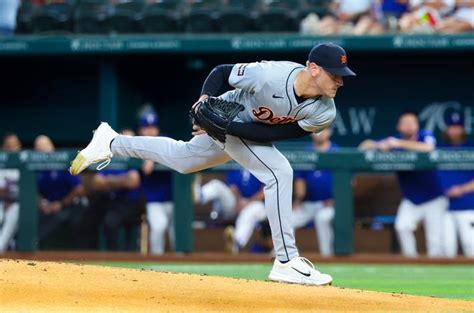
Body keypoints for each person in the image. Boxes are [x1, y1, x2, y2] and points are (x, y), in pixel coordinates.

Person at [70, 43, 357, 285]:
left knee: (183, 160)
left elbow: (275, 134)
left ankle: (111, 141)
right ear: (314, 69)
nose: (341, 81)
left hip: (237, 127)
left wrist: (226, 129)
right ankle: (286, 260)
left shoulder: (324, 111)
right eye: (336, 75)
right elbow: (222, 72)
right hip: (226, 110)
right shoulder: (270, 74)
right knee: (280, 173)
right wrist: (204, 103)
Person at [359, 111, 447, 258]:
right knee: (402, 226)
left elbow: (429, 148)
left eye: (412, 123)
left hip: (434, 197)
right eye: (405, 123)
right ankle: (411, 261)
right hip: (411, 199)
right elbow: (363, 147)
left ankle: (435, 272)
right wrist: (379, 145)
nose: (408, 127)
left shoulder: (425, 135)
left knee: (435, 241)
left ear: (417, 125)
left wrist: (398, 143)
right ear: (398, 126)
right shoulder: (393, 140)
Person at [193, 169, 265, 253]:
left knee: (252, 211)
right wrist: (238, 202)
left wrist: (247, 202)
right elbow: (232, 187)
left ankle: (236, 243)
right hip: (236, 203)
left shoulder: (260, 163)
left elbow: (265, 190)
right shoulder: (235, 163)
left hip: (255, 205)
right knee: (217, 185)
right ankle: (199, 195)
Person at [292, 129, 337, 257]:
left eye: (323, 130)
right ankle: (286, 256)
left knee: (322, 218)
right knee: (288, 220)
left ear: (329, 132)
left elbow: (349, 182)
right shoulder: (306, 153)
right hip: (310, 204)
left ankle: (327, 256)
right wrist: (298, 201)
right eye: (316, 131)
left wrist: (337, 199)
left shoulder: (336, 151)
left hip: (330, 203)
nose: (319, 133)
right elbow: (300, 180)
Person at [35, 135, 84, 248]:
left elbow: (78, 189)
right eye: (38, 148)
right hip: (46, 205)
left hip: (68, 205)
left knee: (60, 220)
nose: (42, 151)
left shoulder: (64, 162)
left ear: (51, 147)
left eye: (44, 147)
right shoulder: (36, 166)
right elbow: (33, 190)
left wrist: (61, 204)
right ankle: (33, 253)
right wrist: (42, 203)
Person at [137, 113, 175, 255]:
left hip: (174, 199)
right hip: (154, 200)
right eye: (146, 127)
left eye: (153, 127)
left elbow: (170, 149)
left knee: (178, 233)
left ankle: (184, 264)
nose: (150, 131)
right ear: (141, 130)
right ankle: (156, 261)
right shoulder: (136, 144)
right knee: (159, 226)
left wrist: (153, 157)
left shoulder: (164, 141)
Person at [438, 111, 474, 258]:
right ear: (446, 128)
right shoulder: (439, 149)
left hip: (468, 206)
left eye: (458, 127)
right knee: (447, 250)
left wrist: (461, 189)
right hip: (444, 207)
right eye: (451, 127)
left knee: (471, 247)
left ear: (463, 129)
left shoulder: (471, 148)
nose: (454, 130)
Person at [0, 133, 21, 252]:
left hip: (17, 203)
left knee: (13, 214)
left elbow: (28, 192)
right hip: (2, 201)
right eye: (9, 146)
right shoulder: (1, 164)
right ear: (3, 148)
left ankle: (1, 249)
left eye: (14, 145)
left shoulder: (24, 162)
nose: (12, 148)